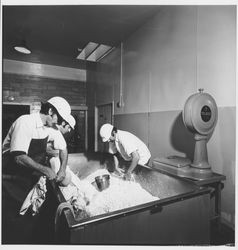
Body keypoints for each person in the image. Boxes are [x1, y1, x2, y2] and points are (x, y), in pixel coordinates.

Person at [2, 96, 72, 243]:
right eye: (58, 119)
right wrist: (46, 170)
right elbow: (19, 157)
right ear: (51, 111)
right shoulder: (25, 122)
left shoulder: (50, 128)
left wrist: (62, 170)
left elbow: (64, 149)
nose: (58, 124)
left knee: (29, 216)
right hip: (10, 177)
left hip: (28, 175)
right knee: (12, 219)